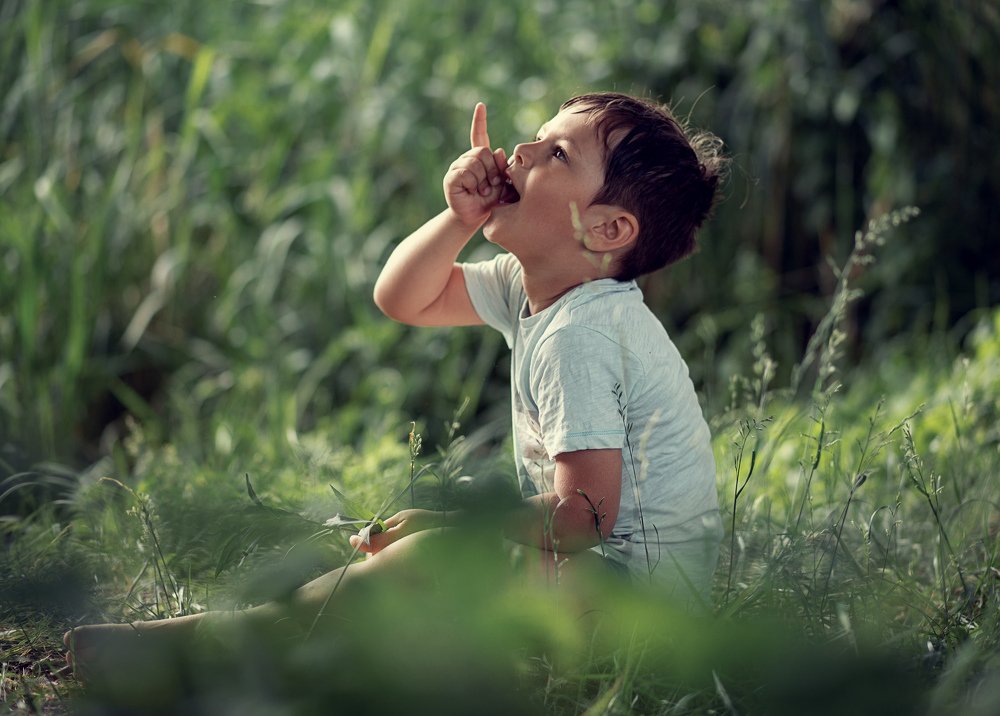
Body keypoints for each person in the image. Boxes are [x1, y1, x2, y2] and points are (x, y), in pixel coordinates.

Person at [65, 92, 725, 674]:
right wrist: (461, 220)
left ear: (607, 230)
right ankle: (289, 637)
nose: (521, 148)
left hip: (641, 610)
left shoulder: (582, 337)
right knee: (380, 549)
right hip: (593, 577)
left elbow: (586, 516)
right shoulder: (535, 288)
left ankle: (213, 649)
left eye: (556, 153)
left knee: (432, 553)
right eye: (538, 134)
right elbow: (405, 297)